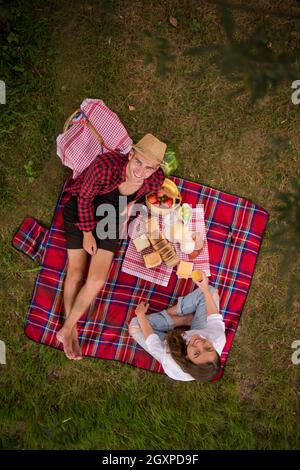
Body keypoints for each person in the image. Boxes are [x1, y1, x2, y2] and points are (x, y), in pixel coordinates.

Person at [57, 134, 166, 360]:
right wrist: (87, 233)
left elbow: (145, 191)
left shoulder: (154, 180)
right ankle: (71, 330)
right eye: (138, 162)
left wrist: (130, 206)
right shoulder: (104, 166)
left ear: (155, 169)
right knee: (76, 272)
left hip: (111, 219)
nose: (141, 171)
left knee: (97, 279)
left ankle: (67, 328)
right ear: (130, 155)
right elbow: (84, 199)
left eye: (149, 167)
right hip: (81, 211)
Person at [128, 272, 225, 381]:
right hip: (200, 328)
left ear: (187, 358)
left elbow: (152, 341)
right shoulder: (218, 337)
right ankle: (184, 319)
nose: (199, 343)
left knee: (135, 325)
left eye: (196, 353)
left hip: (172, 344)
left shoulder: (171, 358)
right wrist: (205, 289)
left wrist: (141, 314)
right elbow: (214, 317)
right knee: (211, 292)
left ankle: (181, 319)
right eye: (208, 348)